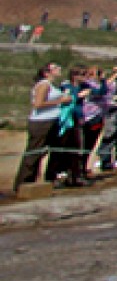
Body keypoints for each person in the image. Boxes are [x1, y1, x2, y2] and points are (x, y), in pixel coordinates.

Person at [14, 63, 71, 191]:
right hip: (41, 122)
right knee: (34, 153)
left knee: (46, 151)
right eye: (56, 68)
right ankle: (23, 183)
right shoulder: (43, 85)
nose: (59, 69)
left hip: (51, 120)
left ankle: (43, 178)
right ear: (47, 72)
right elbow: (38, 104)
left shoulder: (51, 85)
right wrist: (60, 101)